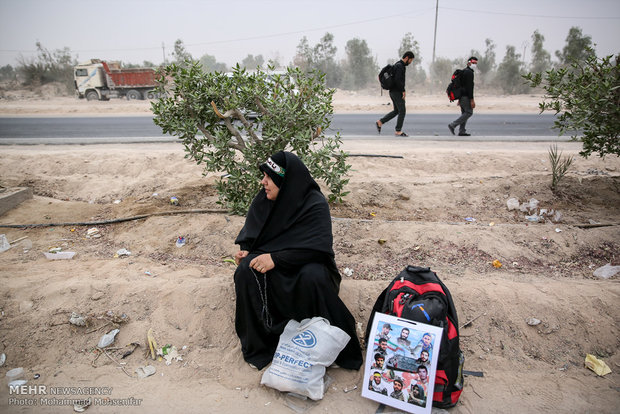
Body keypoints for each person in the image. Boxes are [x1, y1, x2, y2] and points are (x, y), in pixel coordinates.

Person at [233, 151, 363, 370]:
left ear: (284, 181)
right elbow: (254, 234)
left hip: (307, 265)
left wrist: (277, 258)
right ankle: (264, 345)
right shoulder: (264, 200)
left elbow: (318, 249)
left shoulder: (314, 204)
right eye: (263, 175)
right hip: (274, 267)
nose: (263, 182)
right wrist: (246, 251)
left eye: (269, 177)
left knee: (312, 275)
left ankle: (318, 341)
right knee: (246, 271)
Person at [376, 51, 415, 137]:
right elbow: (398, 80)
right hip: (397, 92)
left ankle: (380, 122)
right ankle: (398, 131)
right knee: (402, 111)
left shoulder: (398, 64)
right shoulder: (400, 66)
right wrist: (403, 91)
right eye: (411, 60)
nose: (410, 62)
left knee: (396, 111)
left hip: (393, 92)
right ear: (407, 58)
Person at [448, 56, 477, 137]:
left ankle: (462, 131)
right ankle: (453, 125)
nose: (475, 65)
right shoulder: (469, 73)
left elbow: (460, 86)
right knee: (469, 112)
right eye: (473, 63)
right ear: (469, 62)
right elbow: (469, 87)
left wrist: (459, 99)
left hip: (462, 97)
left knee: (464, 113)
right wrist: (472, 100)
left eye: (476, 63)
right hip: (466, 97)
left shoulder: (464, 71)